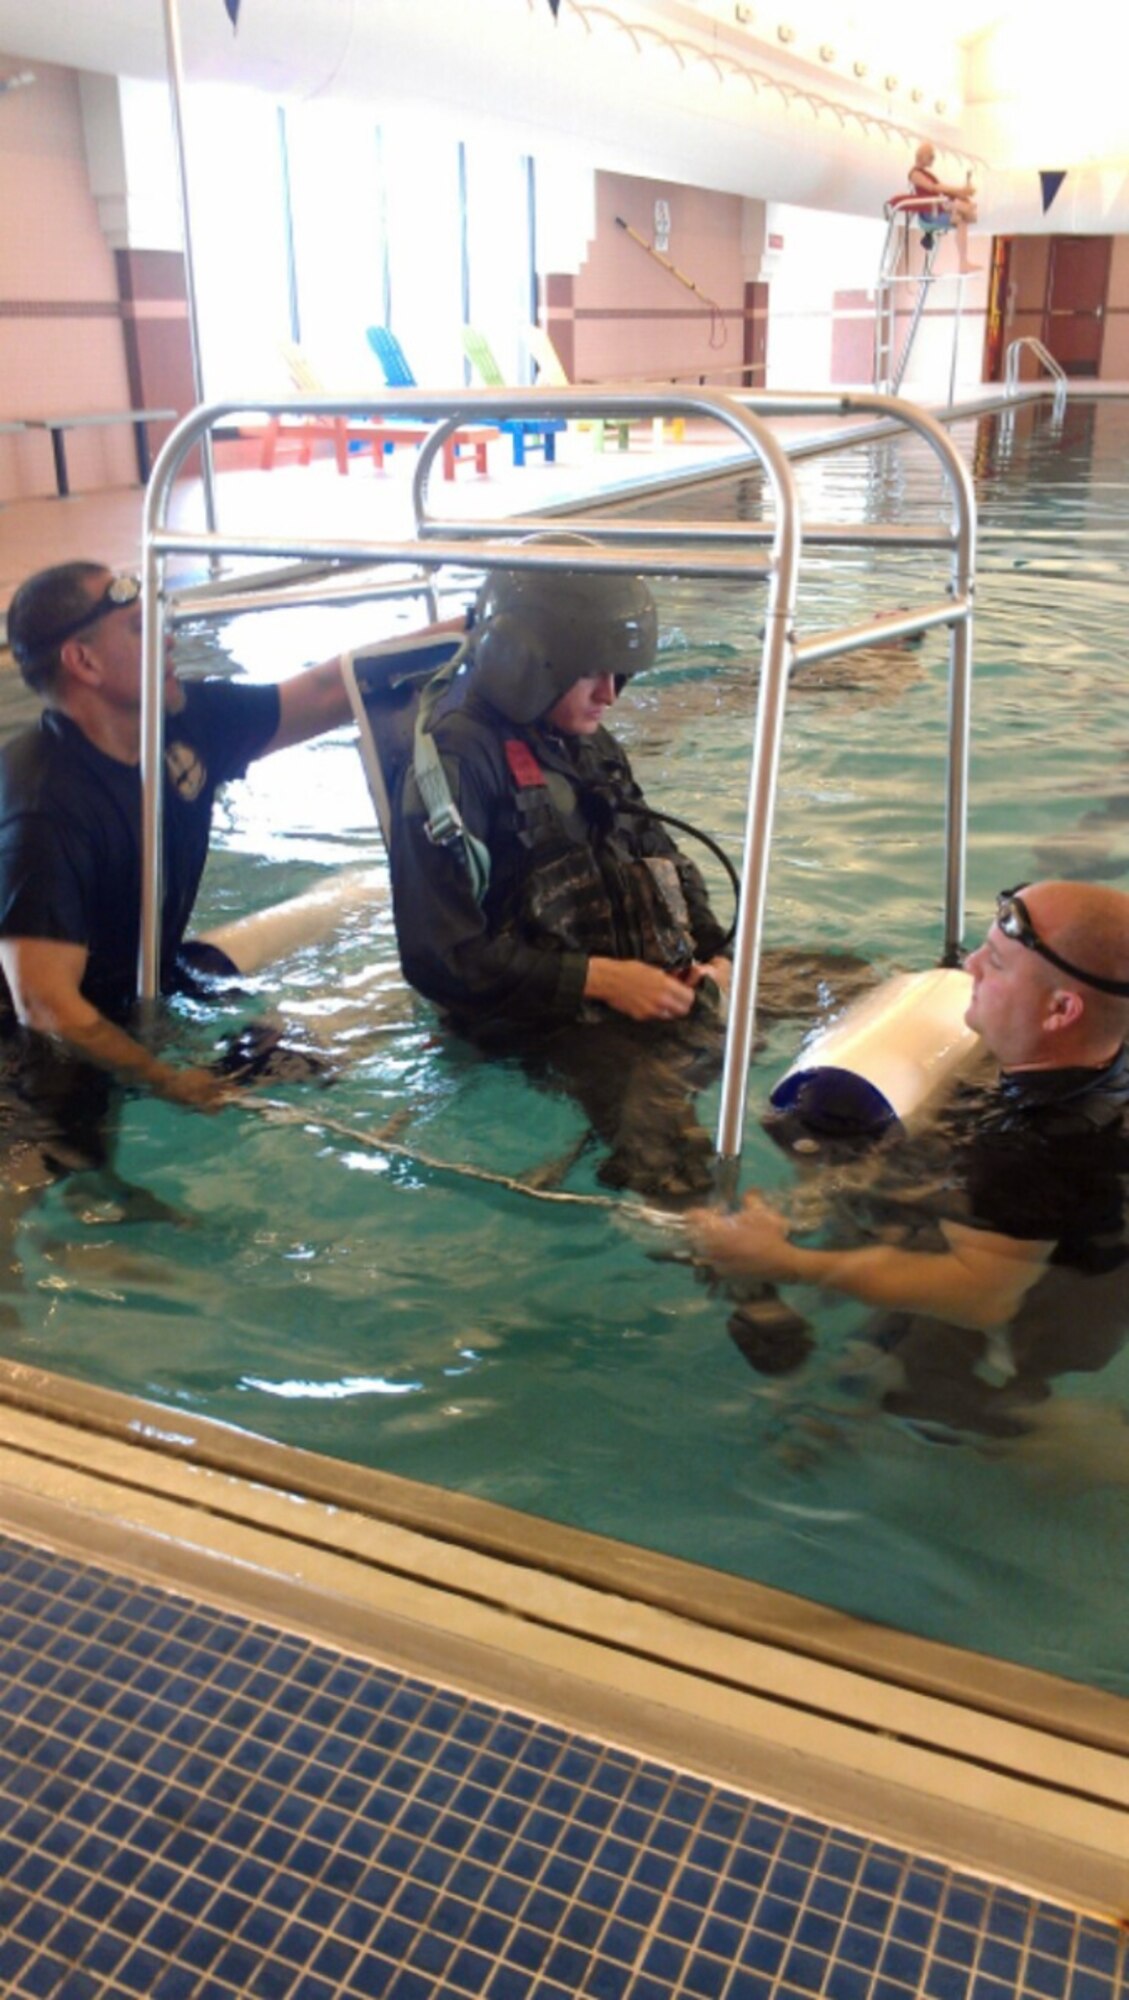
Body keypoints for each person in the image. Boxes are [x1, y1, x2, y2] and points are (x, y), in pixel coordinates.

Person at [0, 560, 452, 1126]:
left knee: (304, 1067)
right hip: (35, 1047)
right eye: (139, 628)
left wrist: (479, 625)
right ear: (83, 662)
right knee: (98, 1177)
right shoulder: (41, 804)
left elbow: (324, 690)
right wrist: (166, 1081)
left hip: (149, 987)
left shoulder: (182, 720)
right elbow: (44, 1005)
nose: (167, 637)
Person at [689, 881, 1129, 1436]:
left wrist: (784, 1261)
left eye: (995, 962)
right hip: (1069, 1251)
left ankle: (1087, 1451)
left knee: (919, 1393)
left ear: (1061, 1009)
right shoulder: (1100, 1061)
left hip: (1056, 1311)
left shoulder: (1037, 1146)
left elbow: (980, 1297)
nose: (970, 965)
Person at [388, 562, 736, 1199]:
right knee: (669, 1152)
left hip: (640, 985)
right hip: (543, 1019)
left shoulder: (584, 738)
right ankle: (731, 1257)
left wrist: (715, 956)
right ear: (527, 660)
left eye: (618, 672)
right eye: (591, 672)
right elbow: (440, 957)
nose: (610, 694)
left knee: (839, 985)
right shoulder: (456, 766)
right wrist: (601, 980)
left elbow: (659, 853)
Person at [909, 142, 980, 274]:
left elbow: (941, 190)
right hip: (929, 214)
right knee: (962, 215)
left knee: (967, 216)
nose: (933, 159)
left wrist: (962, 193)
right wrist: (960, 191)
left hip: (937, 207)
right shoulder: (915, 174)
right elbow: (935, 188)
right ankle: (963, 263)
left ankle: (963, 263)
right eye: (931, 156)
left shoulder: (927, 174)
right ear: (921, 156)